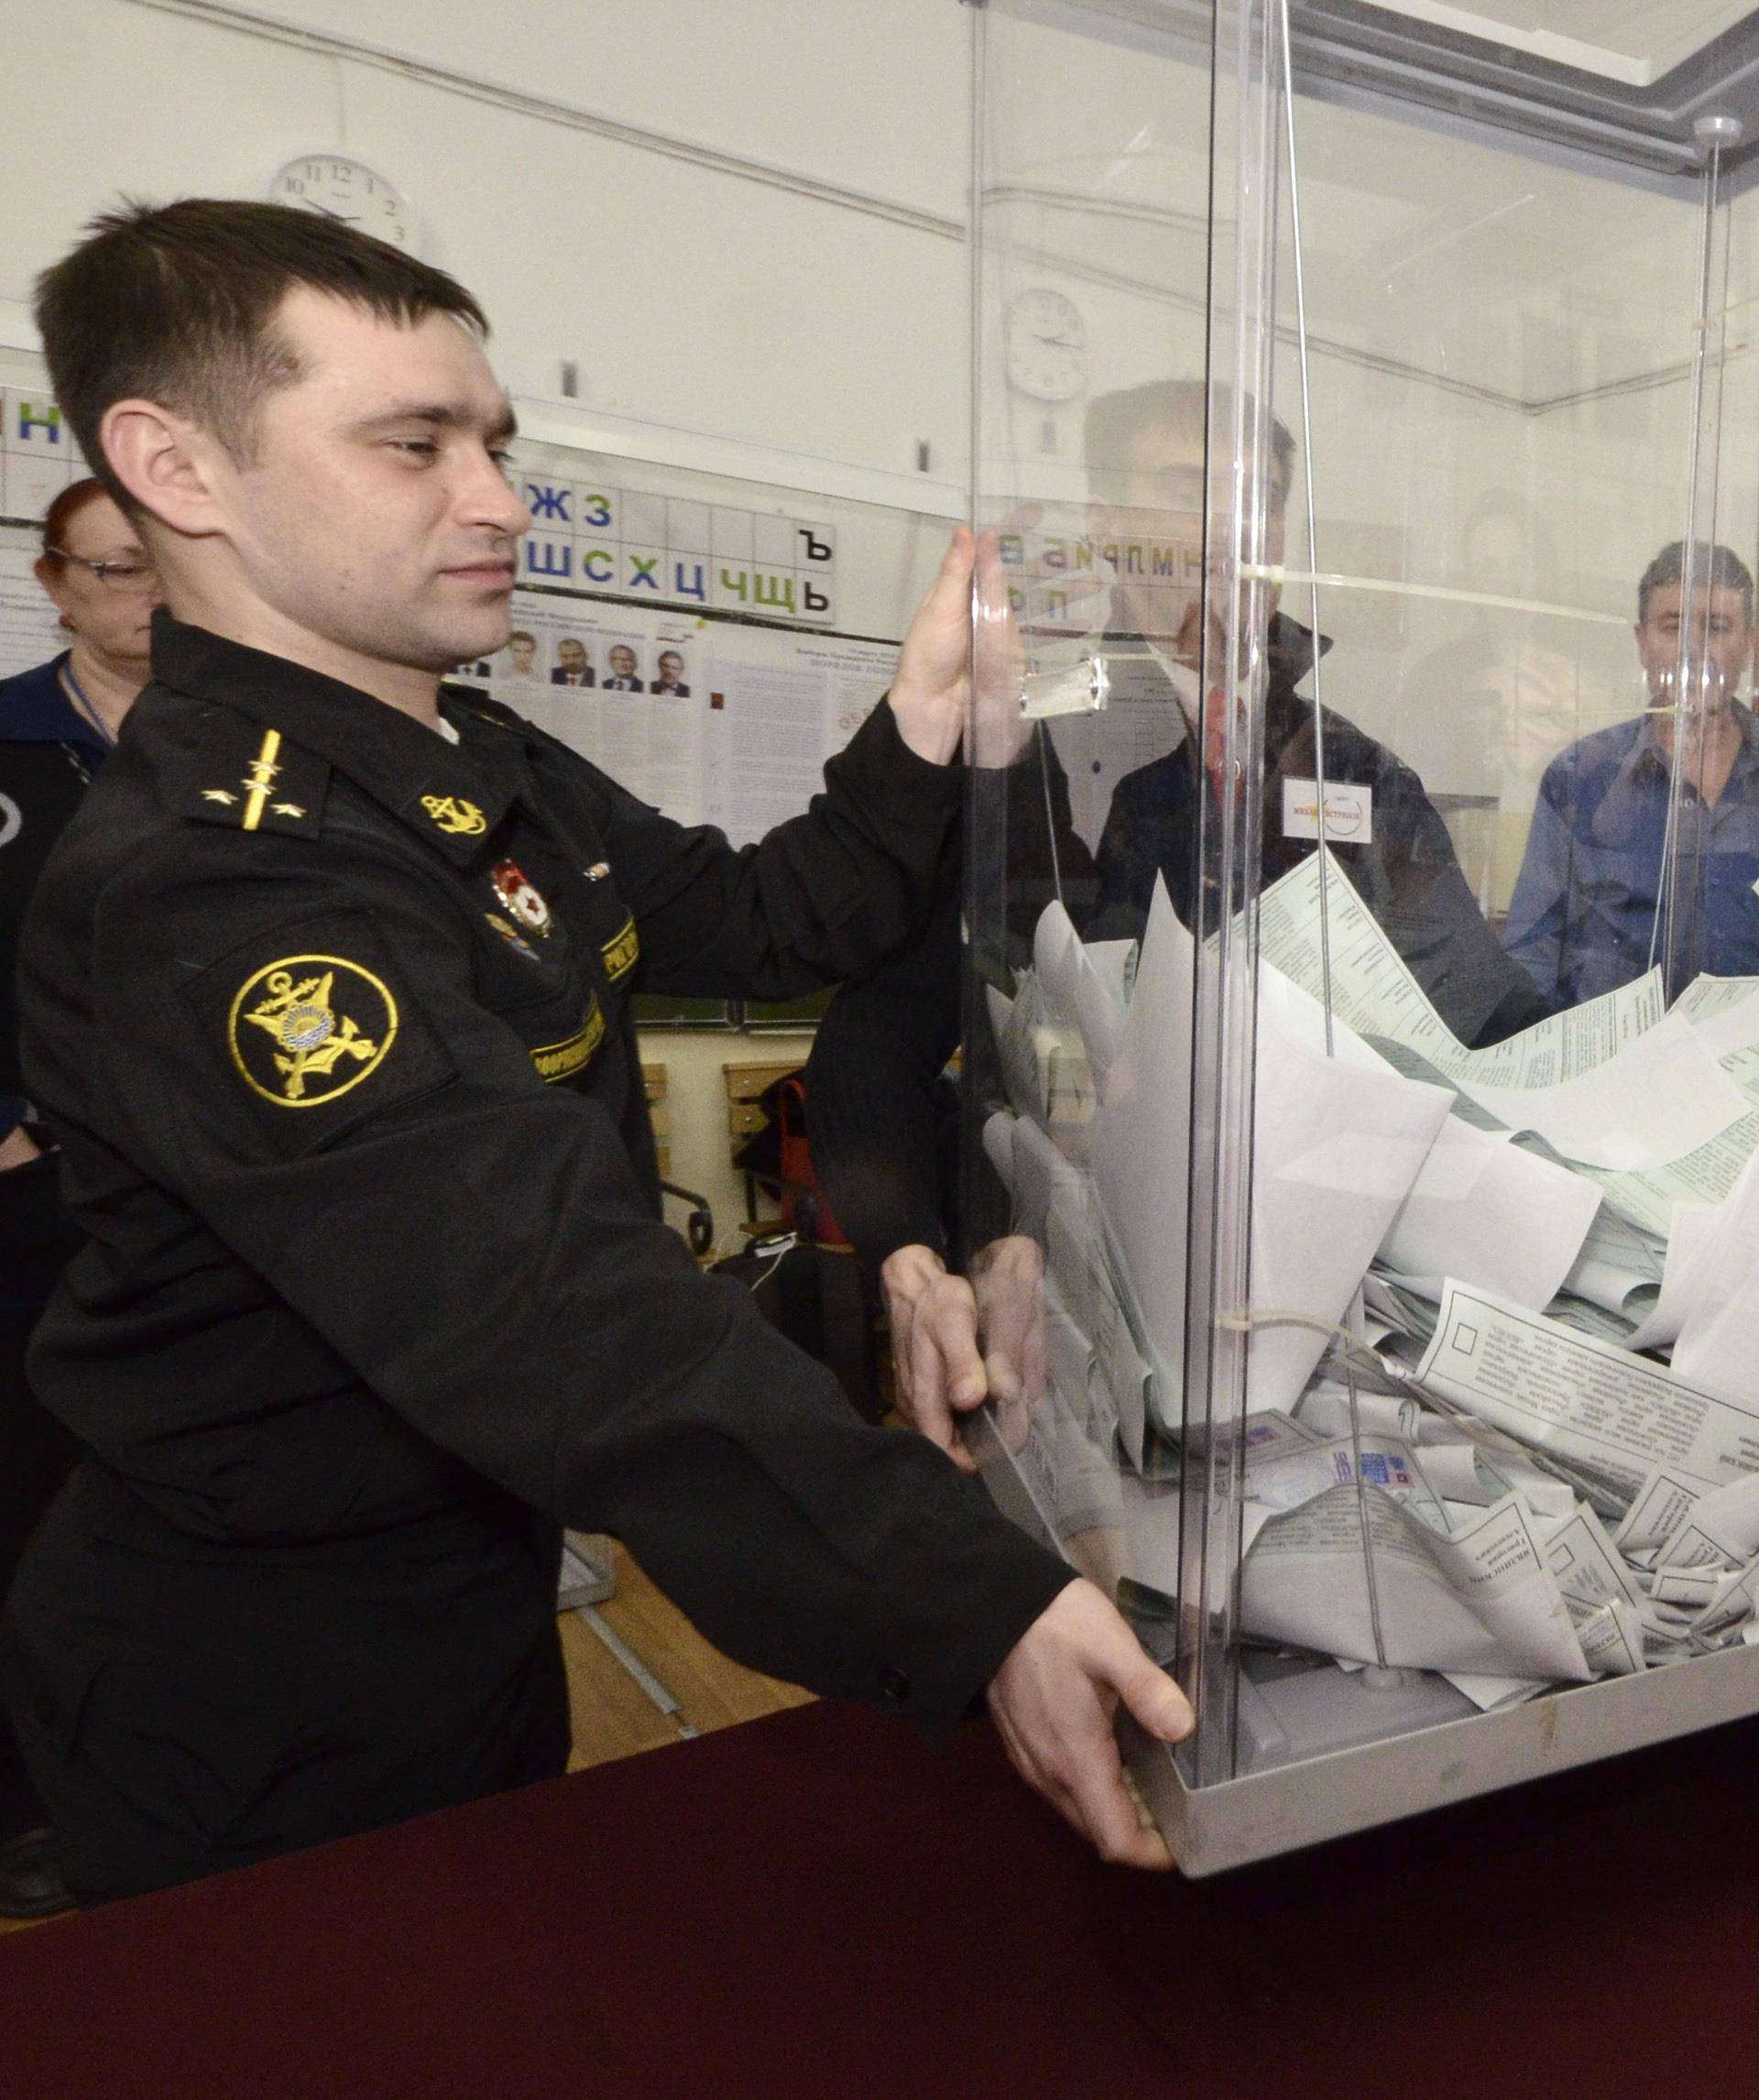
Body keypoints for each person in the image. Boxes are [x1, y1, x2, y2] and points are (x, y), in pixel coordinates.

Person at [4, 198, 1190, 1905]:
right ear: (174, 468)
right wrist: (970, 1594)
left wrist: (923, 709)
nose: (496, 498)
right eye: (412, 445)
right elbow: (553, 1308)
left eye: (493, 441)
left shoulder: (466, 753)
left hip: (465, 1596)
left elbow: (772, 917)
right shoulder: (221, 880)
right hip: (258, 1680)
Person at [810, 378, 1545, 1468]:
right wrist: (916, 1255)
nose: (1225, 530)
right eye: (1183, 492)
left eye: (1259, 497)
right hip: (1059, 1299)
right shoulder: (1018, 747)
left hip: (1312, 1308)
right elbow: (881, 1032)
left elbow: (1483, 1009)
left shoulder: (1351, 769)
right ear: (1106, 523)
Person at [0, 476, 161, 1917]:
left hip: (205, 1206)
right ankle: (29, 1813)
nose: (144, 603)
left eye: (163, 569)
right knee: (28, 1503)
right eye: (114, 575)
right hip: (25, 1209)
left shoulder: (248, 751)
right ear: (55, 584)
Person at [1503, 541, 1759, 1008]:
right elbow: (1531, 956)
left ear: (1751, 645)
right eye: (1673, 627)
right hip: (1606, 1066)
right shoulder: (1582, 776)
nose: (1692, 650)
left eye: (1717, 628)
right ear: (1642, 644)